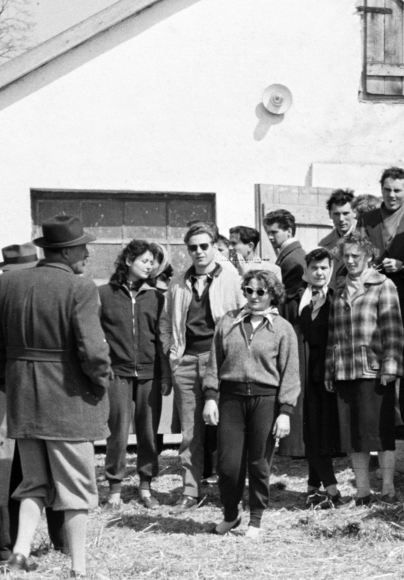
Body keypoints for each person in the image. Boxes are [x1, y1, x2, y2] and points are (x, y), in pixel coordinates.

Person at [0, 215, 113, 576]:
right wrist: (100, 384)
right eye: (83, 246)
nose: (87, 253)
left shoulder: (7, 283)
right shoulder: (80, 287)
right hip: (69, 401)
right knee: (77, 486)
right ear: (68, 251)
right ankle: (80, 569)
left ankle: (20, 554)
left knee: (33, 483)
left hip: (24, 399)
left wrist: (12, 385)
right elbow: (94, 351)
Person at [0, 242, 61, 561]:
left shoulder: (49, 296)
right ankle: (7, 546)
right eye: (8, 275)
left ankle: (62, 543)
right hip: (3, 400)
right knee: (7, 471)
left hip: (44, 396)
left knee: (53, 466)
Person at [201, 262, 300, 538]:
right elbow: (213, 364)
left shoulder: (282, 329)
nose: (254, 296)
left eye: (261, 291)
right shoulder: (227, 322)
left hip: (265, 402)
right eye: (249, 290)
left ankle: (255, 520)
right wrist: (211, 397)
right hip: (231, 400)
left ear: (272, 294)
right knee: (228, 465)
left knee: (259, 463)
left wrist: (285, 411)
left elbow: (290, 373)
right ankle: (231, 515)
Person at [160, 222, 241, 507]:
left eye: (204, 246)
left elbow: (243, 316)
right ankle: (190, 492)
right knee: (190, 432)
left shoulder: (231, 278)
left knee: (227, 427)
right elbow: (165, 324)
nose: (198, 252)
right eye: (193, 247)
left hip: (220, 361)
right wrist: (174, 352)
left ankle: (231, 491)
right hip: (186, 362)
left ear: (215, 246)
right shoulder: (178, 284)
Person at [326, 233, 403, 503]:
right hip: (345, 369)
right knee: (353, 436)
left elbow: (393, 329)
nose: (349, 261)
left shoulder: (383, 285)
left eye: (355, 256)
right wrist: (329, 369)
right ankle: (362, 491)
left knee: (380, 433)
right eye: (345, 256)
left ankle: (388, 488)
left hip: (374, 370)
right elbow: (332, 334)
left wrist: (390, 366)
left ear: (369, 256)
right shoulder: (338, 288)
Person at [361, 167, 404, 459]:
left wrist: (403, 266)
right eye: (387, 189)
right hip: (374, 302)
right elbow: (359, 252)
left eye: (398, 190)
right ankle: (382, 428)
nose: (392, 195)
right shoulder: (368, 219)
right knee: (377, 364)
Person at [98, 240, 167, 507]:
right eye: (145, 261)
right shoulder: (103, 294)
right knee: (117, 432)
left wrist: (166, 375)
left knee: (148, 432)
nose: (150, 266)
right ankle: (115, 487)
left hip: (150, 374)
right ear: (128, 261)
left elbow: (162, 339)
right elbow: (95, 334)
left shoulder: (157, 297)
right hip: (117, 374)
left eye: (152, 262)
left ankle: (146, 486)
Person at [288, 248, 345, 506]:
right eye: (314, 268)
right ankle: (328, 489)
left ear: (330, 270)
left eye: (324, 268)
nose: (319, 272)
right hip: (303, 373)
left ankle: (317, 486)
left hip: (329, 375)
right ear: (307, 271)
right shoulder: (298, 300)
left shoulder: (337, 299)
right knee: (311, 431)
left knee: (320, 432)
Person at [264, 209, 309, 303]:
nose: (270, 237)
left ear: (289, 231)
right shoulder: (291, 254)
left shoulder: (293, 259)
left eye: (274, 232)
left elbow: (289, 298)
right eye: (268, 233)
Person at [319, 189, 358, 256]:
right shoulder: (324, 245)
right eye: (336, 214)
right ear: (330, 215)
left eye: (345, 213)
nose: (341, 219)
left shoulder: (369, 235)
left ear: (355, 212)